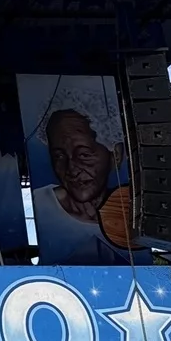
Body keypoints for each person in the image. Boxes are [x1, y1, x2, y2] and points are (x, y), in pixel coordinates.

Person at [29, 107, 126, 263]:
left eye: (84, 155)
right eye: (59, 156)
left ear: (116, 155)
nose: (72, 169)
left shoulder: (131, 211)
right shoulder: (41, 202)